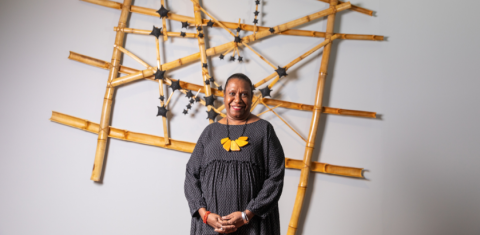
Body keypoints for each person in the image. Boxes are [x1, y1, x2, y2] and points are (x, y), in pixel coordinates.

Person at [184, 73, 285, 234]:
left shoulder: (264, 130)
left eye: (244, 94)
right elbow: (191, 175)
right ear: (224, 96)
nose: (237, 99)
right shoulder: (210, 132)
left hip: (252, 225)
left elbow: (276, 177)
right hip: (210, 226)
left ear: (252, 98)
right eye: (232, 93)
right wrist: (205, 214)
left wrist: (247, 214)